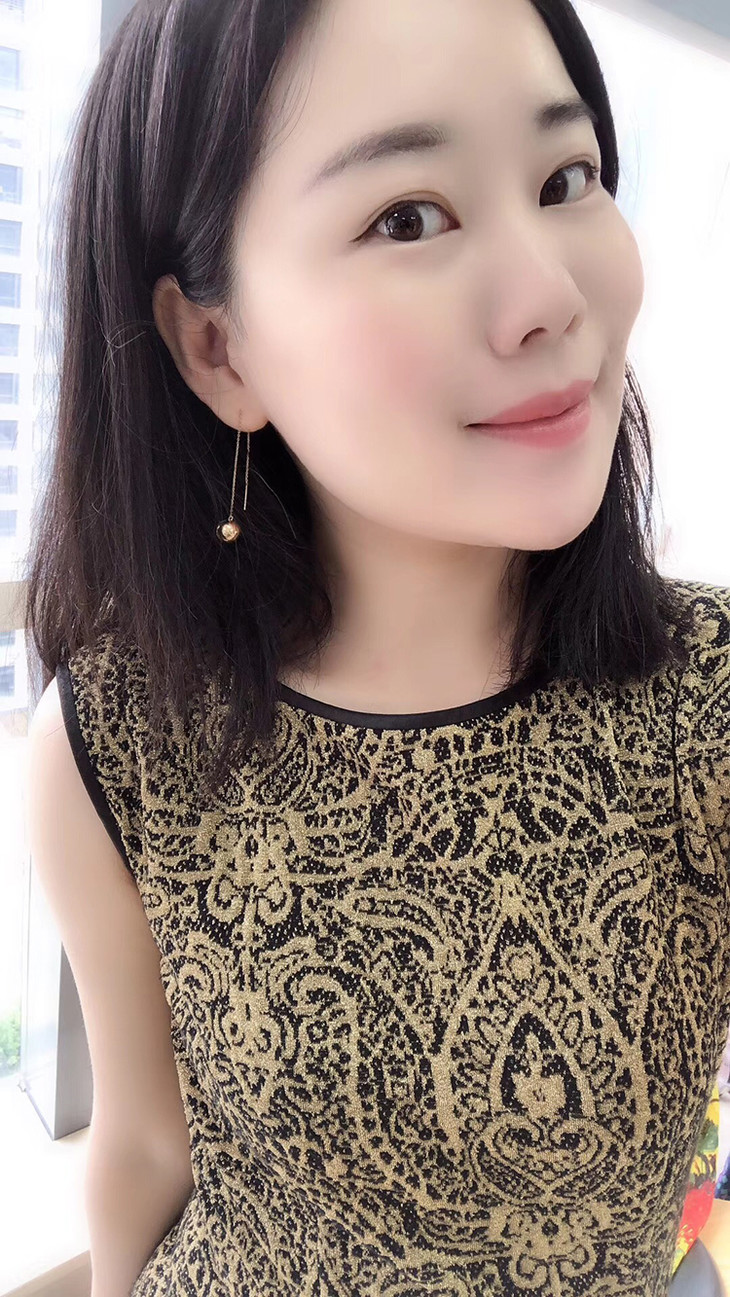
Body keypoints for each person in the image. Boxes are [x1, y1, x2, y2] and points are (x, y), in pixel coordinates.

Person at [22, 0, 730, 1294]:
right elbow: (143, 1148)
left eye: (565, 179)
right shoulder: (115, 736)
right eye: (408, 217)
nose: (550, 295)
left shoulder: (709, 699)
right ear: (216, 349)